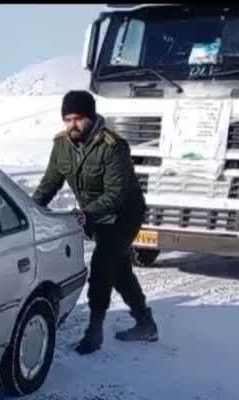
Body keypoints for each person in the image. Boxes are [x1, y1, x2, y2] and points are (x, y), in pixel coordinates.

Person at [31, 90, 159, 354]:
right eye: (67, 119)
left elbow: (116, 194)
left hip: (124, 214)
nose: (72, 125)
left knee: (102, 265)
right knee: (120, 270)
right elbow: (49, 184)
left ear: (90, 117)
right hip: (95, 214)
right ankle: (145, 323)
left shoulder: (113, 146)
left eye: (78, 119)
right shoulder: (62, 146)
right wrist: (30, 211)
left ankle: (95, 331)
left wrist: (87, 213)